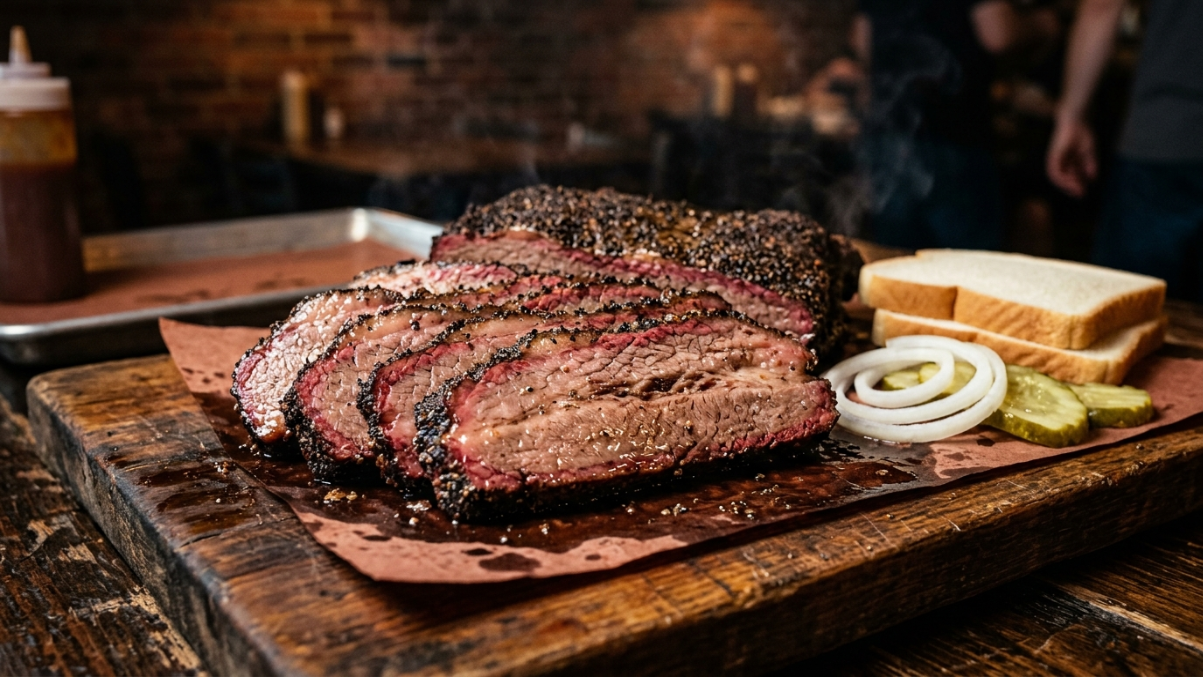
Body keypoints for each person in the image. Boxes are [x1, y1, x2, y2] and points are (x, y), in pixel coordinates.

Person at [856, 0, 1060, 250]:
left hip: (887, 133)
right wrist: (1043, 24)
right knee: (968, 263)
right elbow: (998, 34)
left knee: (896, 259)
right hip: (954, 132)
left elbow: (862, 40)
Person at [1046, 0, 1203, 301]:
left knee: (1128, 307)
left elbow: (1102, 7)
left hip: (1163, 137)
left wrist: (1071, 117)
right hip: (1164, 137)